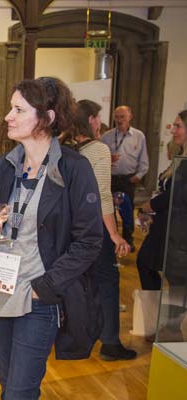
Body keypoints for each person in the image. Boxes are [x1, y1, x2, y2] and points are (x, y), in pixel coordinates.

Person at [0, 77, 103, 400]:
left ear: (46, 117)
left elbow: (90, 241)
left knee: (20, 398)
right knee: (9, 393)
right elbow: (10, 231)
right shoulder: (6, 166)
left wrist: (45, 286)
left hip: (38, 299)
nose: (7, 117)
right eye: (10, 108)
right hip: (0, 294)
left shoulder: (74, 169)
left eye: (18, 110)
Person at [70, 99, 136, 360]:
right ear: (91, 120)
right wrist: (114, 234)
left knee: (82, 282)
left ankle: (82, 335)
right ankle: (109, 342)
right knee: (107, 281)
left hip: (75, 227)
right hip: (95, 228)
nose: (100, 121)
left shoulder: (69, 148)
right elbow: (102, 196)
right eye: (98, 117)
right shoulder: (98, 149)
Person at [137, 110, 187, 340]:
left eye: (177, 126)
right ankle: (156, 324)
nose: (173, 130)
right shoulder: (179, 157)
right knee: (148, 264)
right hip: (164, 224)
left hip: (176, 229)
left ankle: (170, 329)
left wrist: (150, 206)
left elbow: (174, 197)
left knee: (176, 278)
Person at [101, 106, 149, 251]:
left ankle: (128, 239)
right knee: (109, 210)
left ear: (130, 117)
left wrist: (138, 176)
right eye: (117, 117)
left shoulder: (139, 136)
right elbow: (101, 158)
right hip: (111, 179)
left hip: (128, 180)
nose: (119, 120)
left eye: (123, 117)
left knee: (127, 211)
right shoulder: (107, 136)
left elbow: (144, 160)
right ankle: (112, 239)